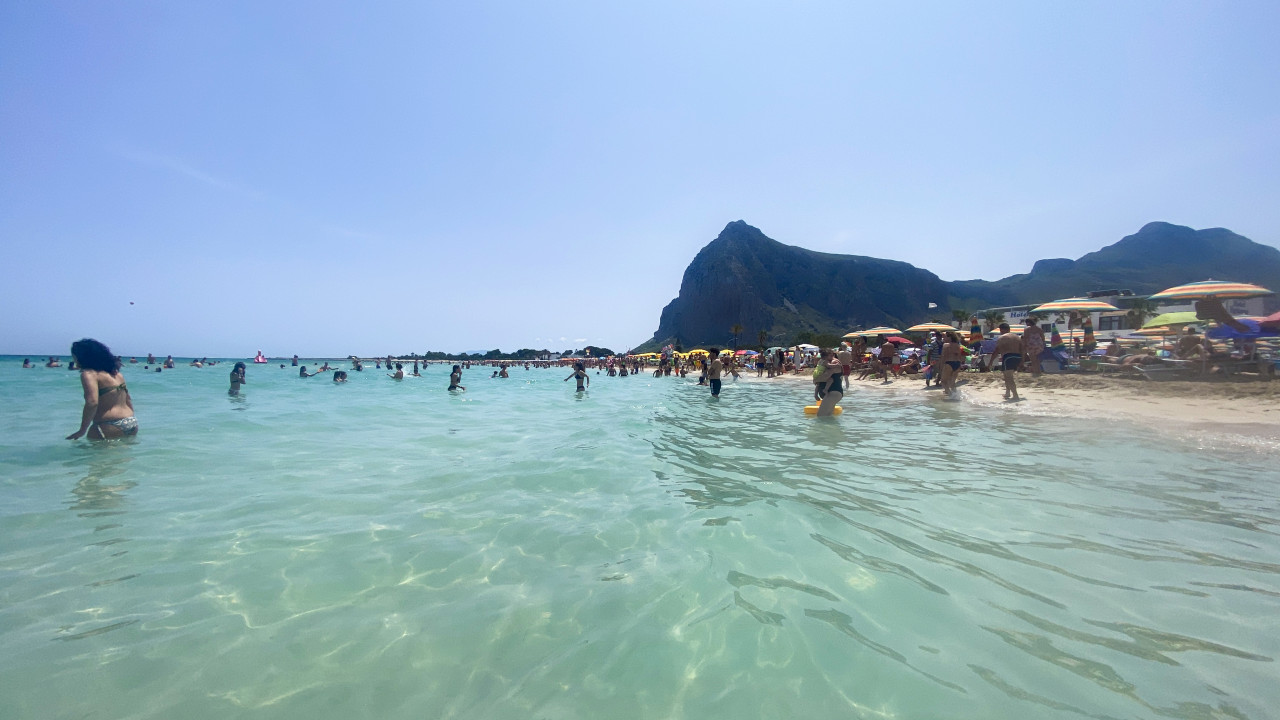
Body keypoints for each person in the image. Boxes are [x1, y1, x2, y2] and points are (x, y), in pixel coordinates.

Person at [66, 338, 137, 440]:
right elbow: (128, 399)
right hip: (131, 421)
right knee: (123, 455)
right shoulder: (117, 374)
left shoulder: (89, 374)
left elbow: (92, 402)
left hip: (108, 425)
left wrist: (82, 430)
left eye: (74, 356)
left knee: (94, 455)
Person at [992, 323, 1023, 401]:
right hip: (1017, 356)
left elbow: (996, 351)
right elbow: (1023, 349)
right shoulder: (1017, 337)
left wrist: (990, 362)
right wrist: (1022, 361)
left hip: (1008, 357)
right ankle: (1008, 392)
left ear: (1002, 329)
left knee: (1009, 377)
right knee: (1007, 376)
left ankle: (1015, 395)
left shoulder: (1002, 338)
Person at [813, 348, 844, 416]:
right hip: (829, 393)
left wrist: (815, 380)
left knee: (820, 417)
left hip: (833, 392)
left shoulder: (835, 362)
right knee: (827, 417)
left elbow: (825, 376)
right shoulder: (825, 362)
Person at [940, 332, 964, 396]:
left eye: (945, 337)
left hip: (949, 363)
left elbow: (943, 356)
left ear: (950, 338)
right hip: (957, 363)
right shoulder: (958, 345)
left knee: (943, 381)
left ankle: (950, 394)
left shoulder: (945, 345)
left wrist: (942, 366)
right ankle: (956, 395)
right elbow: (959, 356)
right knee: (952, 382)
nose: (944, 338)